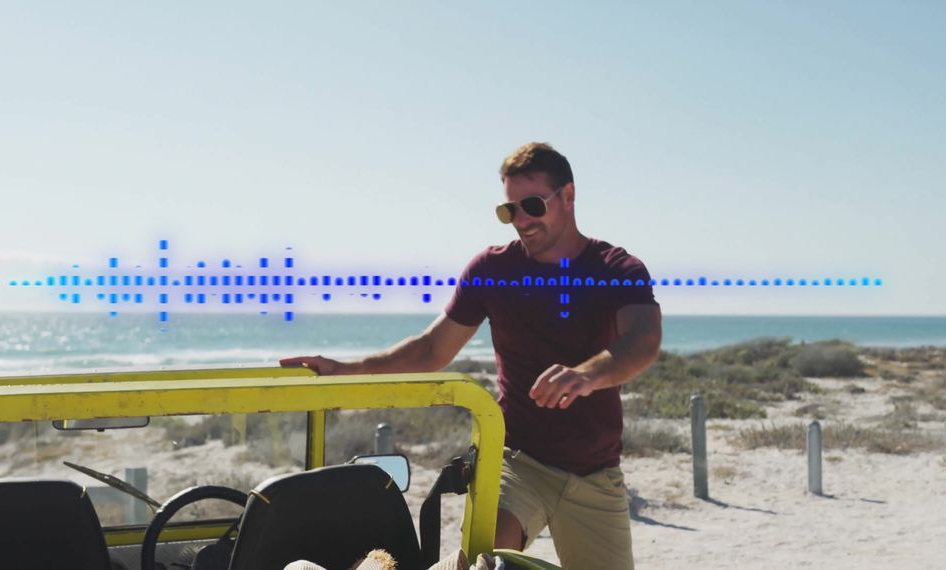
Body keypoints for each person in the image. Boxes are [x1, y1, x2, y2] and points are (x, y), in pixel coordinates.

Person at [280, 142, 662, 569]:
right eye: (509, 210)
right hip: (516, 462)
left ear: (568, 196)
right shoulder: (492, 271)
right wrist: (347, 369)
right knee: (482, 561)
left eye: (532, 205)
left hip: (595, 475)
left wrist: (587, 375)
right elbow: (432, 349)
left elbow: (643, 341)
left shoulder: (615, 268)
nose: (521, 220)